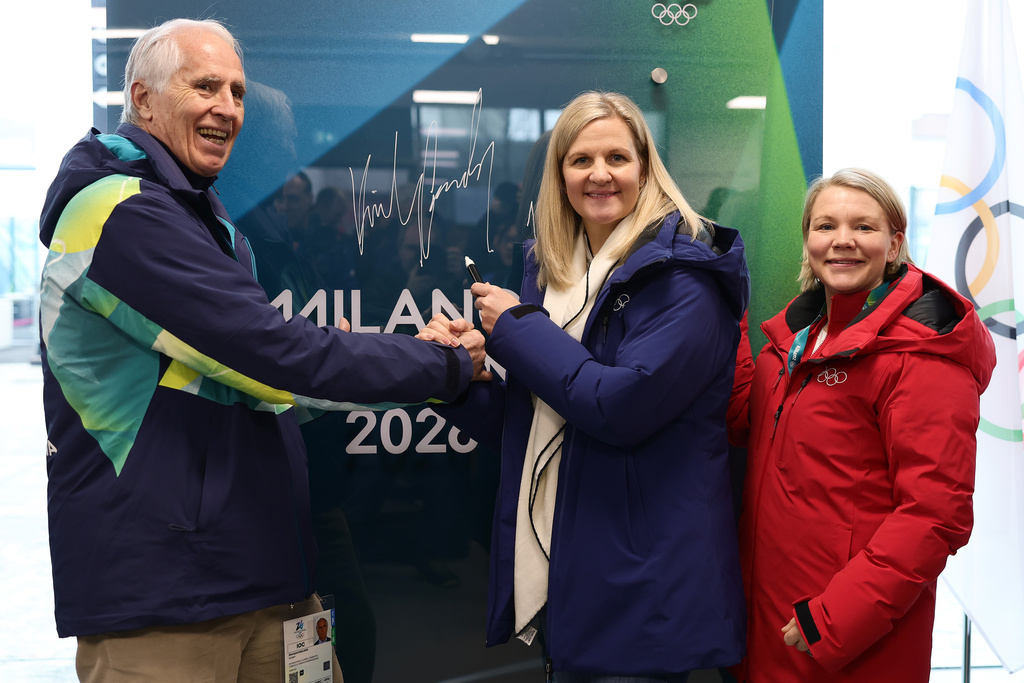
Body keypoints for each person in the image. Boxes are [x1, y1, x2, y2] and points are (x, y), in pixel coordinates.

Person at [37, 18, 485, 682]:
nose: (228, 108)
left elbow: (258, 380)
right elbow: (270, 353)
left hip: (264, 575)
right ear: (143, 99)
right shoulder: (122, 212)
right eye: (206, 86)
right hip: (168, 598)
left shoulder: (199, 215)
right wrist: (440, 365)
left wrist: (412, 352)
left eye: (238, 92)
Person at [419, 91, 749, 679]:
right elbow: (539, 425)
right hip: (573, 571)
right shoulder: (556, 275)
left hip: (646, 588)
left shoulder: (686, 281)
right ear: (560, 175)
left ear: (645, 169)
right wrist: (463, 382)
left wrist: (516, 329)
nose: (600, 174)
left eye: (617, 158)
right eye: (580, 160)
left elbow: (617, 408)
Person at [728, 168, 997, 682]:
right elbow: (745, 419)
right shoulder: (795, 341)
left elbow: (935, 514)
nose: (842, 241)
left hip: (847, 640)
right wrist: (726, 312)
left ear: (894, 244)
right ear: (808, 240)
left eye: (864, 227)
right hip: (768, 625)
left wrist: (832, 620)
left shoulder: (922, 355)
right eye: (826, 225)